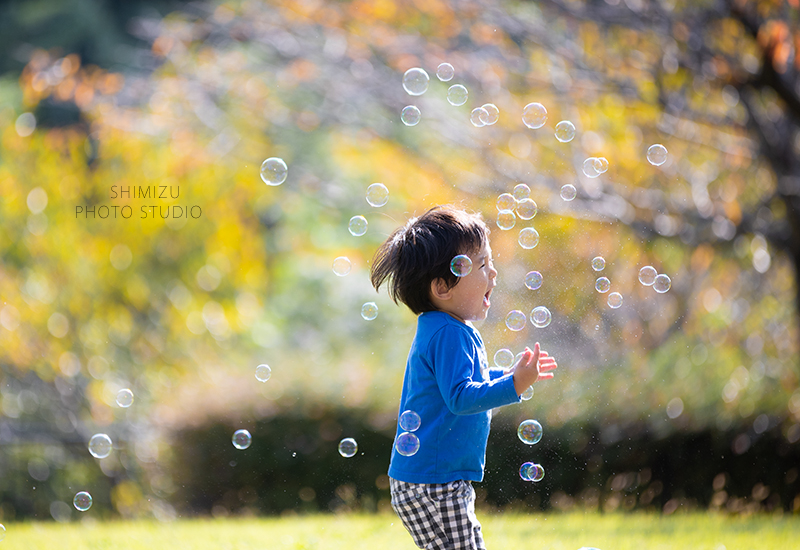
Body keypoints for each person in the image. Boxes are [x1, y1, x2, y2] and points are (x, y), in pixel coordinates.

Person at [370, 205, 558, 550]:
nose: (494, 273)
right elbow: (461, 397)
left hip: (426, 477)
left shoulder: (443, 328)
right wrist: (515, 384)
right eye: (482, 265)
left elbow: (468, 382)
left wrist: (511, 375)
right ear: (443, 287)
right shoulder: (449, 333)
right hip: (437, 481)